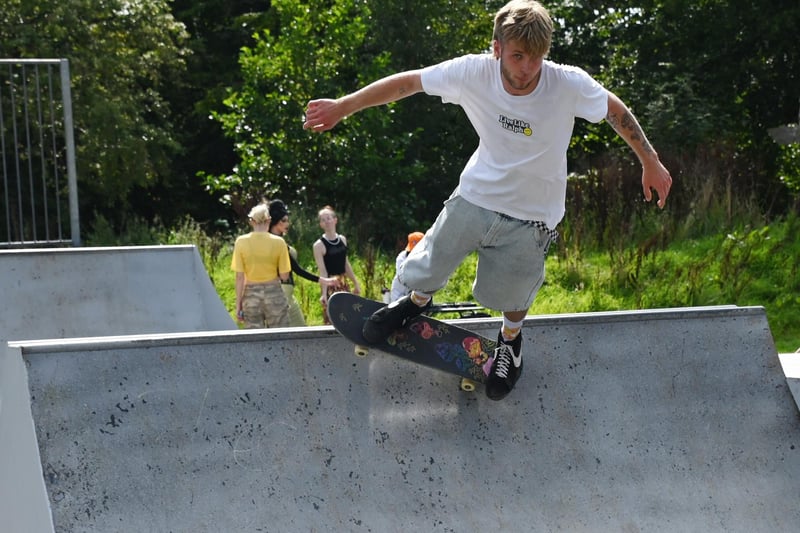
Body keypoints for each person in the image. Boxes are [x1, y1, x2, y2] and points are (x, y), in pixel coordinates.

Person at [303, 0, 673, 400]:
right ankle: (414, 302)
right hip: (476, 196)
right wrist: (344, 106)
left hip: (533, 216)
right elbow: (408, 83)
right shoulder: (472, 72)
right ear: (496, 48)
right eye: (517, 56)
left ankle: (510, 345)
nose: (527, 68)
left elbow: (614, 110)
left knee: (511, 296)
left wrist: (649, 161)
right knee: (426, 266)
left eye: (536, 58)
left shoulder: (567, 82)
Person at [268, 199, 336, 326]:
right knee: (293, 332)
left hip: (285, 292)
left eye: (287, 220)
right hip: (281, 292)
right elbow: (297, 269)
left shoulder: (277, 241)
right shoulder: (276, 242)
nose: (287, 224)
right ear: (274, 222)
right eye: (283, 221)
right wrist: (322, 280)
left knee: (298, 331)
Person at [231, 203, 292, 328]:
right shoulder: (279, 242)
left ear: (251, 221)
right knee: (281, 335)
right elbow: (285, 276)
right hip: (274, 291)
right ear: (269, 220)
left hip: (251, 294)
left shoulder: (241, 242)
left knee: (254, 338)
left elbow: (239, 277)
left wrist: (239, 305)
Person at [312, 205, 362, 324]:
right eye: (323, 220)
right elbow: (322, 271)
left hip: (343, 282)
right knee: (332, 318)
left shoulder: (342, 239)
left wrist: (355, 283)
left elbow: (345, 263)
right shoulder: (319, 245)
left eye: (328, 218)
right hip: (330, 283)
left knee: (349, 316)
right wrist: (323, 294)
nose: (326, 222)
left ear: (335, 220)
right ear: (321, 224)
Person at [390, 231, 424, 302]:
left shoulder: (426, 259)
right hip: (399, 294)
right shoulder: (401, 258)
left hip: (418, 296)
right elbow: (402, 277)